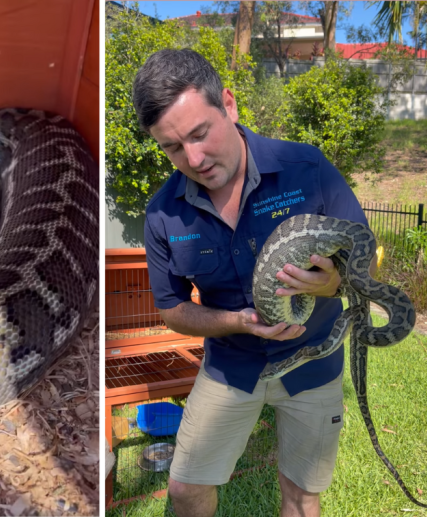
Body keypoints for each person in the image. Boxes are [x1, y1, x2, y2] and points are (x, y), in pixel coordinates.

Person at [135, 49, 375, 517]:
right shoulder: (162, 213)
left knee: (302, 494)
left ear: (229, 104)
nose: (194, 158)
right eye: (172, 147)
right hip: (230, 367)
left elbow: (361, 261)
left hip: (313, 363)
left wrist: (331, 284)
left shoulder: (306, 168)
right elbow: (172, 308)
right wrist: (237, 321)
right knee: (184, 490)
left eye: (200, 134)